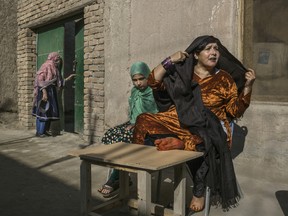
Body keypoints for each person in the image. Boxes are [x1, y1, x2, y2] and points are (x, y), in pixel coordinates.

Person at [132, 35, 256, 213]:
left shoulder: (224, 79)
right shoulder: (183, 73)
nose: (214, 52)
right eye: (208, 49)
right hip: (181, 119)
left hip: (208, 125)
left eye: (216, 49)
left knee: (201, 142)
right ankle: (145, 160)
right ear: (196, 55)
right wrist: (170, 60)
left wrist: (248, 87)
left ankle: (198, 190)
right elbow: (153, 81)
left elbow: (235, 111)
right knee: (144, 119)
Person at [98, 61, 159, 197]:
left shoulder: (154, 91)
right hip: (133, 123)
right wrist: (133, 123)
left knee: (125, 137)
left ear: (148, 76)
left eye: (141, 79)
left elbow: (154, 114)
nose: (138, 83)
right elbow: (133, 113)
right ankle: (121, 175)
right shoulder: (134, 91)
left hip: (151, 126)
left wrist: (138, 124)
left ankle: (115, 178)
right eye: (134, 80)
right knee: (111, 134)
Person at [32, 52, 75, 137]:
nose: (58, 61)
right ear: (53, 58)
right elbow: (40, 80)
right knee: (43, 111)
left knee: (48, 112)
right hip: (44, 91)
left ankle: (44, 131)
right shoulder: (46, 66)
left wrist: (68, 79)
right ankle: (40, 132)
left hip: (51, 91)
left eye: (59, 59)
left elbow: (58, 82)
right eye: (57, 58)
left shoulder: (55, 68)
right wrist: (44, 93)